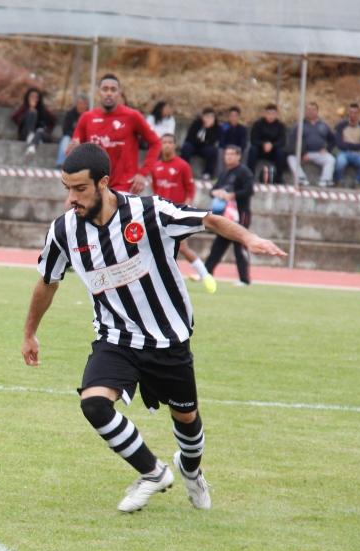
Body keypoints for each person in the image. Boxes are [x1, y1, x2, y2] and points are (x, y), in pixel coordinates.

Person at [23, 143, 285, 513]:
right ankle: (153, 472)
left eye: (80, 189)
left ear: (104, 183)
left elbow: (208, 220)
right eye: (67, 189)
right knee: (94, 404)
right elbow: (47, 282)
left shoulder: (148, 212)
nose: (71, 199)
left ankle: (191, 471)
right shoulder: (64, 231)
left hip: (168, 340)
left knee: (188, 423)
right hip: (116, 338)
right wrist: (30, 332)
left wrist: (249, 238)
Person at [70, 74, 161, 194]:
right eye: (105, 89)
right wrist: (73, 150)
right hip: (95, 186)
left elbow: (156, 143)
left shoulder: (132, 116)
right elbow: (75, 150)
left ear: (119, 93)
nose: (109, 93)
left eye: (113, 90)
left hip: (124, 187)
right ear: (99, 92)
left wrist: (143, 173)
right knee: (70, 207)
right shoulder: (87, 118)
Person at [150, 134, 216, 293]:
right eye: (164, 142)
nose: (166, 145)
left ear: (174, 145)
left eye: (169, 142)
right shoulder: (156, 166)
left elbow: (190, 189)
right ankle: (164, 281)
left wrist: (184, 209)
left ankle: (206, 275)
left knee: (183, 248)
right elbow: (155, 189)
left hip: (176, 213)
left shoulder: (182, 166)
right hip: (159, 214)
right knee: (159, 248)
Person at [204, 145, 256, 285]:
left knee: (239, 245)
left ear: (239, 156)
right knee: (218, 246)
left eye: (232, 154)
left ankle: (244, 279)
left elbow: (249, 190)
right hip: (226, 217)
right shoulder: (224, 173)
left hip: (241, 215)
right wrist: (216, 193)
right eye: (227, 154)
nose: (229, 157)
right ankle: (206, 273)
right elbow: (213, 190)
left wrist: (232, 195)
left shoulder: (244, 172)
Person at [287, 102, 336, 186]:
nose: (311, 112)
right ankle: (301, 178)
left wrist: (327, 149)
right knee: (291, 158)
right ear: (305, 111)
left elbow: (333, 140)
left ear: (317, 111)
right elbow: (291, 141)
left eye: (313, 110)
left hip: (319, 153)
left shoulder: (324, 125)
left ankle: (325, 180)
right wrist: (302, 153)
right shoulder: (299, 125)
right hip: (304, 153)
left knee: (331, 159)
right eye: (308, 109)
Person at [332, 103, 360, 187]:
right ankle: (339, 181)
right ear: (348, 113)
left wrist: (348, 144)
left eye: (355, 112)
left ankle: (357, 182)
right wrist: (356, 145)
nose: (353, 115)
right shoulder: (341, 125)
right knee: (340, 163)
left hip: (357, 154)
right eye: (351, 112)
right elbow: (339, 144)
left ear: (359, 114)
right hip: (344, 152)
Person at [247, 104, 287, 183]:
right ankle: (250, 175)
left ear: (276, 114)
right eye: (268, 113)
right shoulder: (258, 124)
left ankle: (279, 177)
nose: (270, 116)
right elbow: (253, 139)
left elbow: (282, 141)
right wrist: (264, 144)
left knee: (281, 152)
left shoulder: (280, 126)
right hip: (260, 149)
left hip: (274, 150)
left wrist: (272, 145)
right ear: (264, 114)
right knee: (252, 150)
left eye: (273, 114)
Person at [11, 87, 56, 156]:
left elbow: (53, 119)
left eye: (36, 97)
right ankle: (31, 136)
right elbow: (14, 117)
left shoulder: (42, 108)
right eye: (32, 96)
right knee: (33, 112)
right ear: (28, 97)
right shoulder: (24, 107)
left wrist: (47, 129)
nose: (34, 99)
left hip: (40, 133)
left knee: (40, 131)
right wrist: (30, 110)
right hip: (26, 134)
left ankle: (33, 143)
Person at [181, 107, 221, 179]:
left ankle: (207, 173)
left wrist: (208, 129)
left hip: (204, 148)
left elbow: (212, 141)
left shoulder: (216, 127)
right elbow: (189, 138)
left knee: (213, 151)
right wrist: (201, 141)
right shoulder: (196, 123)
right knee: (186, 147)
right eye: (207, 116)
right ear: (203, 117)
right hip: (193, 146)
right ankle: (184, 170)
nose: (209, 118)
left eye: (212, 117)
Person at [58, 95, 88, 168]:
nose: (82, 106)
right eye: (80, 103)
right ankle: (61, 163)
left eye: (84, 104)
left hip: (84, 138)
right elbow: (65, 129)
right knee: (65, 140)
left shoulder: (89, 115)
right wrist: (75, 137)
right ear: (76, 104)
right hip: (71, 137)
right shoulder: (70, 114)